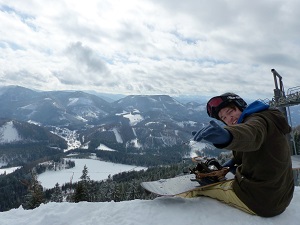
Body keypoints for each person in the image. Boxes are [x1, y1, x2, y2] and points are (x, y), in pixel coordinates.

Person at [191, 92, 294, 217]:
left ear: (241, 106)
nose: (229, 119)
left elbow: (251, 134)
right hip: (280, 196)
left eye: (230, 112)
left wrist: (228, 136)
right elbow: (253, 147)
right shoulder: (268, 117)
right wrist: (234, 161)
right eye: (223, 118)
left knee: (201, 189)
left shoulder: (257, 120)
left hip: (261, 202)